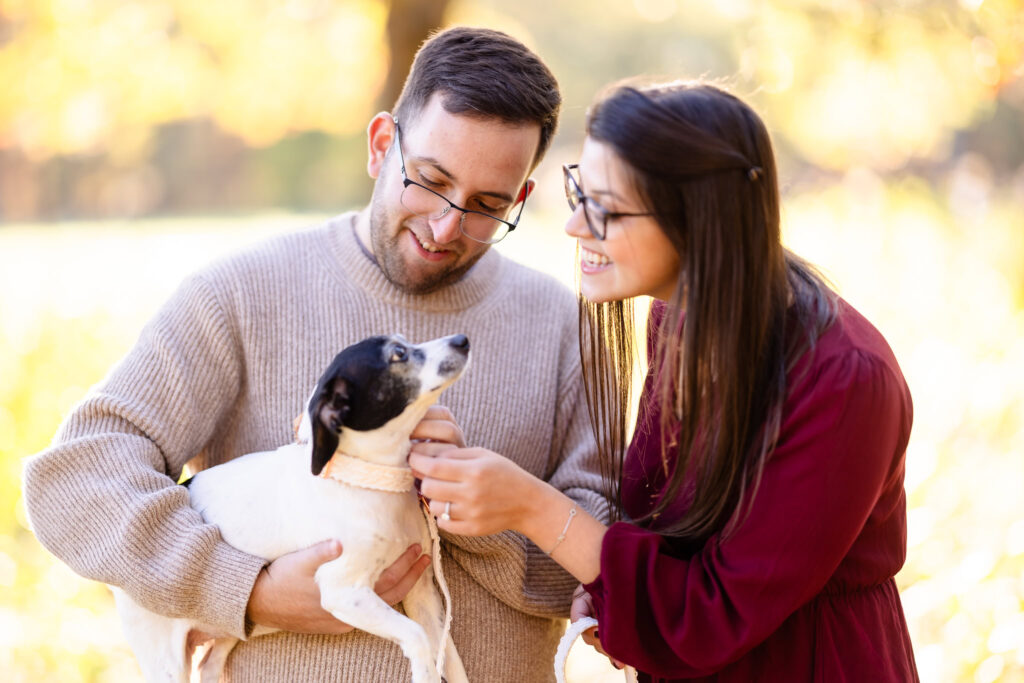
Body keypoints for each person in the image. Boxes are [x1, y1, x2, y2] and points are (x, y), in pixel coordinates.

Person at [22, 27, 605, 682]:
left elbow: (615, 562)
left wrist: (487, 509)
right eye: (431, 180)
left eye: (487, 205)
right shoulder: (241, 293)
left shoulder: (563, 325)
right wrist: (250, 589)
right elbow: (74, 478)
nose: (447, 226)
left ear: (521, 198)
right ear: (382, 145)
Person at [409, 79, 920, 681]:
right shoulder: (681, 317)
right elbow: (663, 528)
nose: (575, 226)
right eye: (580, 192)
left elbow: (715, 611)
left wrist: (532, 507)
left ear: (699, 220)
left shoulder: (844, 380)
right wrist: (606, 591)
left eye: (606, 208)